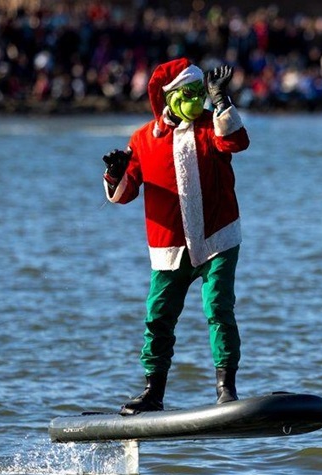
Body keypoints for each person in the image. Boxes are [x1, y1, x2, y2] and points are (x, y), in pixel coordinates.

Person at [101, 57, 250, 415]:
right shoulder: (142, 140)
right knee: (158, 316)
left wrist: (222, 102)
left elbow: (237, 142)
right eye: (190, 92)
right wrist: (114, 175)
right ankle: (153, 392)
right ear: (169, 97)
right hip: (169, 249)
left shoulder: (210, 127)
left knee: (218, 309)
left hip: (218, 238)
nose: (197, 99)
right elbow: (123, 195)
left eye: (201, 92)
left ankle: (225, 389)